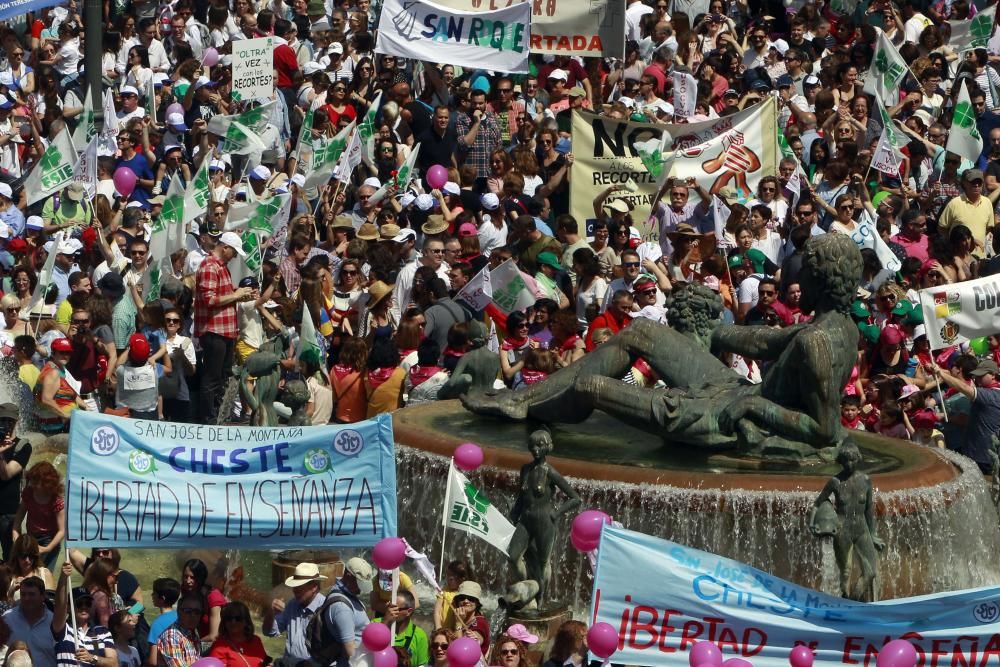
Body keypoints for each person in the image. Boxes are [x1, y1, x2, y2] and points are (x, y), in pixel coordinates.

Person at [194, 231, 257, 423]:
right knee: (213, 377)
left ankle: (219, 414)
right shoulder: (209, 266)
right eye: (234, 252)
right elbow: (210, 299)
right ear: (225, 247)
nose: (235, 256)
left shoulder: (221, 267)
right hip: (214, 331)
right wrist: (237, 295)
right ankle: (208, 417)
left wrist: (239, 295)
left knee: (222, 376)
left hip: (225, 330)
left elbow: (223, 297)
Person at [935, 358, 1000, 474]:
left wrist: (940, 373)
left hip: (982, 457)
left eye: (981, 375)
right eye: (977, 375)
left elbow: (964, 388)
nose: (977, 379)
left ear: (993, 375)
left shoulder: (990, 395)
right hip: (982, 454)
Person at [52, 562, 118, 667]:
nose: (84, 607)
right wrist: (63, 578)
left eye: (87, 603)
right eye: (79, 603)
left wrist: (92, 658)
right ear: (68, 607)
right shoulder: (63, 630)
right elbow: (60, 606)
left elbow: (114, 664)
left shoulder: (102, 632)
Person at [264, 562, 328, 666]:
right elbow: (269, 632)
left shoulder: (326, 609)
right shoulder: (292, 604)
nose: (294, 590)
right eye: (294, 586)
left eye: (299, 587)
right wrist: (271, 613)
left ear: (314, 587)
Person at [320, 557, 372, 667]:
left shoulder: (348, 595)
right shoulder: (341, 607)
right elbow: (351, 651)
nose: (361, 589)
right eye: (359, 583)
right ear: (348, 576)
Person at [12, 462, 64, 571]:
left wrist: (48, 548)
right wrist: (16, 537)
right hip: (31, 537)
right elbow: (18, 518)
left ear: (47, 483)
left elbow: (62, 530)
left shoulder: (56, 500)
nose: (31, 483)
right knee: (26, 572)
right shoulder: (29, 493)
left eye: (35, 481)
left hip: (49, 540)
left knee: (44, 573)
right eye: (31, 480)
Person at [3, 577, 55, 667]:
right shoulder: (7, 619)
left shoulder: (54, 622)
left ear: (43, 596)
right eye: (23, 594)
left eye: (31, 594)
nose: (27, 598)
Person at [0, 404, 29, 562]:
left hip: (8, 512)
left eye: (10, 421)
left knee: (10, 558)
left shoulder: (23, 446)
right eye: (2, 420)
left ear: (17, 421)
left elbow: (7, 474)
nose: (6, 425)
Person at [208, 602, 269, 667]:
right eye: (229, 618)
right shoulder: (219, 647)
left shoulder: (256, 640)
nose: (233, 622)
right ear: (224, 622)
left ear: (246, 621)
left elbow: (264, 662)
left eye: (238, 618)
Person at [376, 591, 428, 667]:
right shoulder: (376, 624)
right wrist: (386, 621)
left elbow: (422, 665)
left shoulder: (419, 635)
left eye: (395, 609)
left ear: (409, 611)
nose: (390, 611)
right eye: (389, 607)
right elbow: (371, 650)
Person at [179, 558, 226, 643]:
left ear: (200, 578)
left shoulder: (213, 597)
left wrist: (190, 644)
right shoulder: (186, 590)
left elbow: (214, 636)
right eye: (185, 577)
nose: (188, 581)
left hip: (215, 644)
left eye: (192, 577)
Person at [154, 593, 202, 667]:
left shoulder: (192, 633)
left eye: (197, 612)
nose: (193, 615)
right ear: (179, 611)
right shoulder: (171, 637)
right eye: (188, 611)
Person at [145, 578, 180, 667]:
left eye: (154, 593)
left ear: (162, 598)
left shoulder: (157, 624)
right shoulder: (180, 617)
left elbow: (153, 661)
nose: (152, 595)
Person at [449, 581, 489, 656]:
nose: (466, 601)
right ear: (457, 601)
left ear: (477, 603)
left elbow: (461, 652)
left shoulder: (480, 624)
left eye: (471, 598)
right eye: (462, 598)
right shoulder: (457, 617)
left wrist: (458, 623)